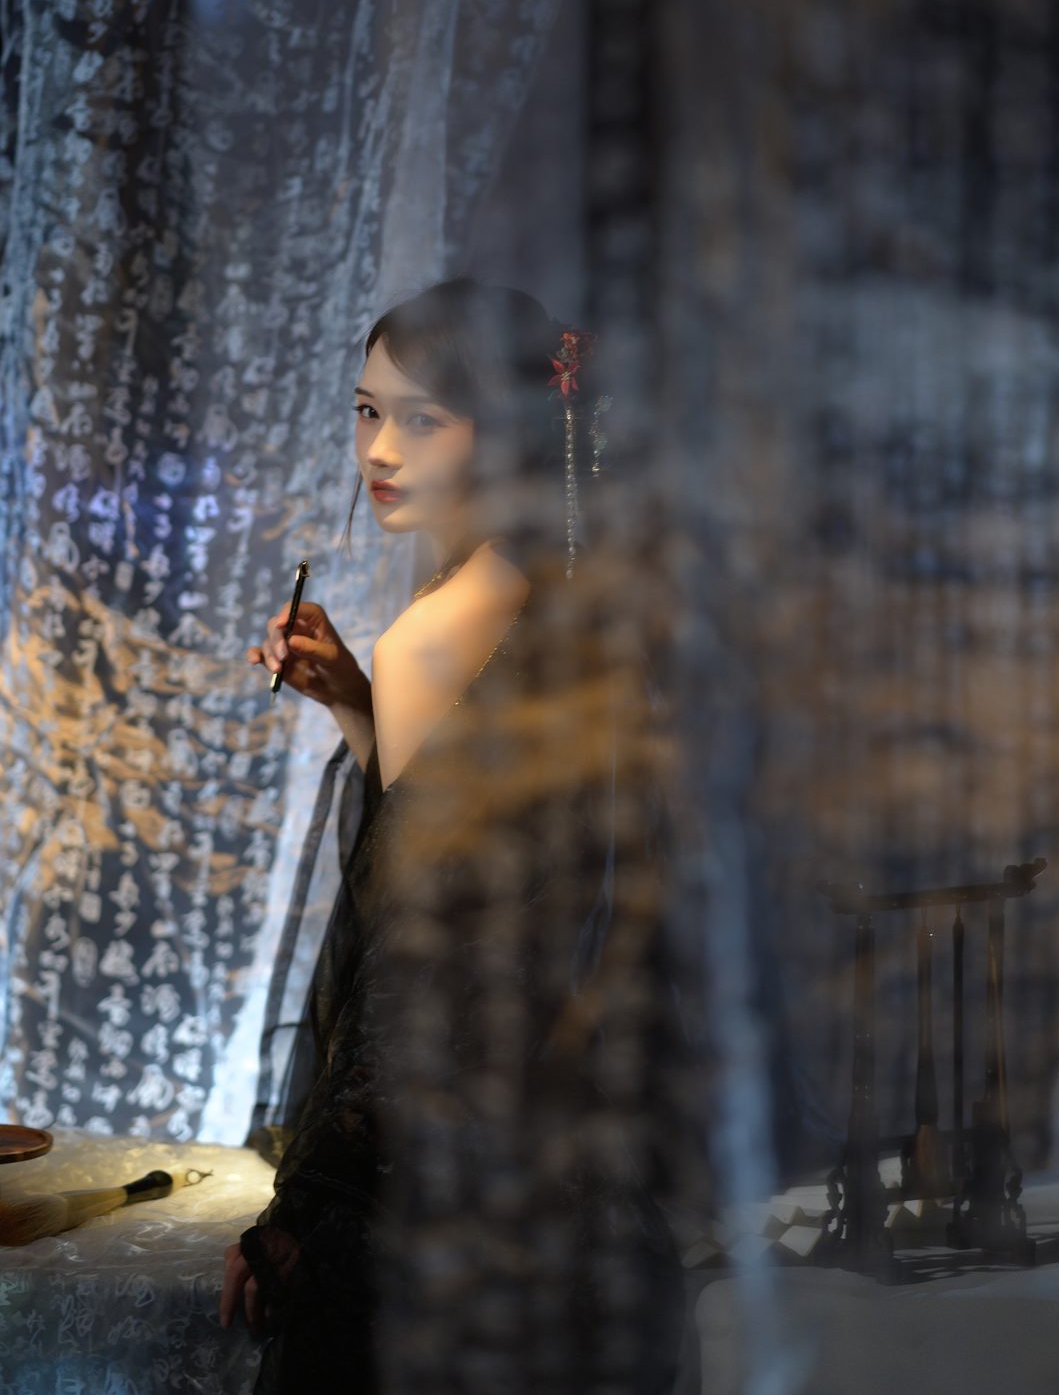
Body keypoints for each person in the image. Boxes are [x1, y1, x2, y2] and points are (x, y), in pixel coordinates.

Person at [220, 278, 706, 1394]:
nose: (380, 450)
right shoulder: (557, 592)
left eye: (423, 418)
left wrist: (304, 1210)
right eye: (366, 410)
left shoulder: (436, 631)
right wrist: (357, 702)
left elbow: (418, 955)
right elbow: (465, 855)